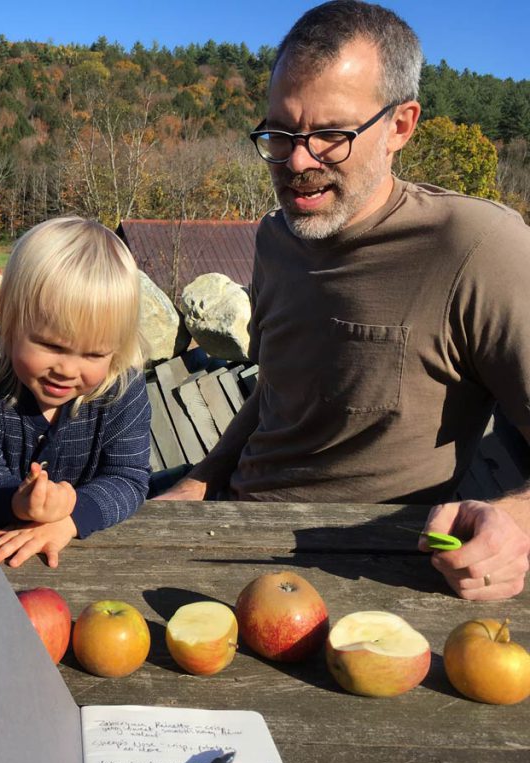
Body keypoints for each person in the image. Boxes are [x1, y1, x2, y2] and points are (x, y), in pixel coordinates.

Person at [158, 0, 530, 600]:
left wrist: (515, 522)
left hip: (367, 571)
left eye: (331, 135)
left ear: (400, 126)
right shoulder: (276, 236)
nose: (297, 162)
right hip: (227, 528)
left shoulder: (480, 248)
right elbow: (277, 391)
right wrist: (200, 481)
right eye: (280, 133)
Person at [0, 216, 152, 568]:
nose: (67, 370)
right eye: (50, 345)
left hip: (95, 558)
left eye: (94, 354)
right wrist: (18, 502)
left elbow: (129, 479)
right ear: (8, 319)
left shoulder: (122, 386)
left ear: (116, 350)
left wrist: (70, 520)